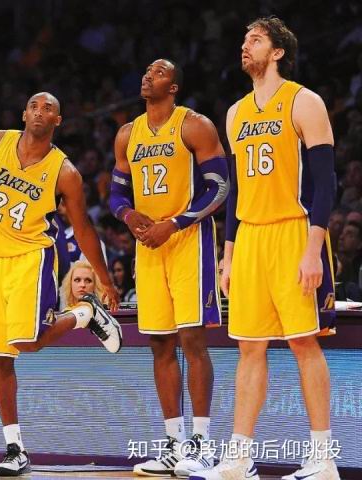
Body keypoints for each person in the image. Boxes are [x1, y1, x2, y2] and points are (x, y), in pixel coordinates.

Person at [0, 92, 121, 477]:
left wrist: (103, 277)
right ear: (23, 114)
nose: (39, 112)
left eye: (48, 108)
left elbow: (83, 228)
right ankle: (15, 449)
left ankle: (85, 313)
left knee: (26, 342)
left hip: (33, 257)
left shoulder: (65, 172)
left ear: (58, 121)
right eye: (34, 106)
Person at [195, 17, 339, 480]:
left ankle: (323, 458)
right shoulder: (235, 113)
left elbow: (326, 183)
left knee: (303, 342)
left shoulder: (304, 101)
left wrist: (313, 249)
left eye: (255, 39)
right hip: (251, 238)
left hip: (295, 231)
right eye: (244, 39)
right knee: (249, 347)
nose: (245, 45)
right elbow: (236, 189)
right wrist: (229, 254)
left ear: (277, 52)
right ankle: (239, 458)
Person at [110, 59, 228, 477]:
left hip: (188, 242)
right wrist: (128, 216)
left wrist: (174, 223)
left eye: (159, 72)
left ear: (174, 87)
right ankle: (174, 443)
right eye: (147, 70)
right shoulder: (128, 134)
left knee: (192, 339)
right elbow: (116, 194)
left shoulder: (195, 125)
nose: (148, 75)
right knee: (159, 344)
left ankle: (202, 442)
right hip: (148, 246)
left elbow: (220, 188)